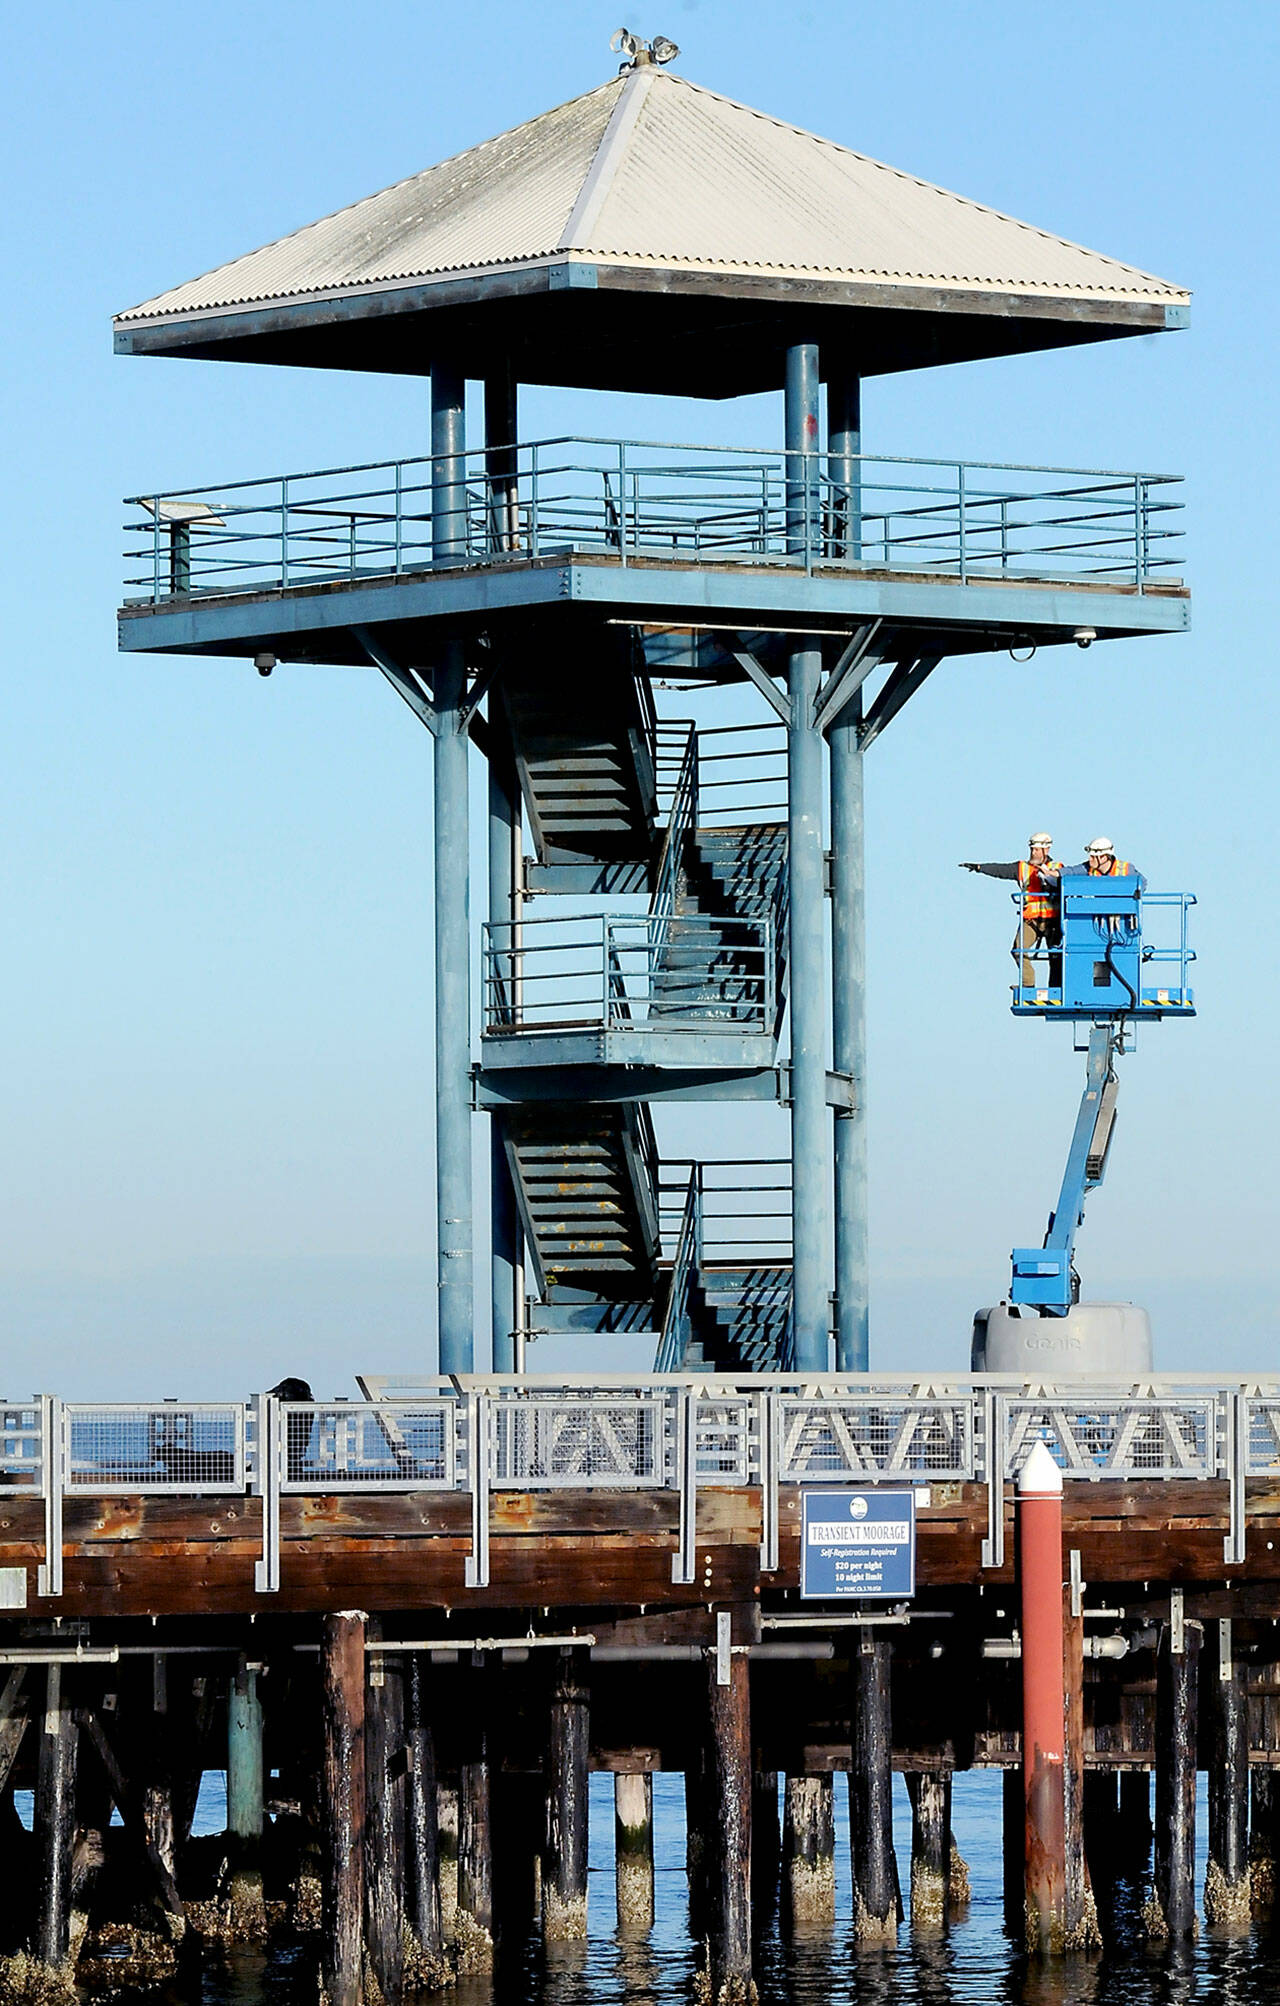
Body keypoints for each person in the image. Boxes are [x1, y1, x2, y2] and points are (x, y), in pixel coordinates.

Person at [961, 834, 1062, 987]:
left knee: (1056, 955)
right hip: (1031, 920)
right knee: (1018, 950)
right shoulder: (1022, 868)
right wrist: (980, 868)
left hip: (1052, 922)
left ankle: (1056, 989)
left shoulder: (1058, 868)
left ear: (1046, 850)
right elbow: (1001, 870)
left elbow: (1071, 881)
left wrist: (1050, 879)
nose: (1033, 852)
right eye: (1032, 849)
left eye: (1036, 849)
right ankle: (1028, 985)